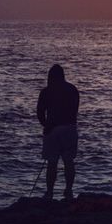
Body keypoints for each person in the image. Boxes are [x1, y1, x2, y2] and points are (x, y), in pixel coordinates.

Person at [37, 63, 80, 200]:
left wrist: (46, 125)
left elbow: (40, 112)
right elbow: (75, 111)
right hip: (70, 129)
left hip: (53, 130)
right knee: (69, 162)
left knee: (52, 163)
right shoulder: (73, 89)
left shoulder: (46, 91)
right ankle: (68, 191)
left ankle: (49, 193)